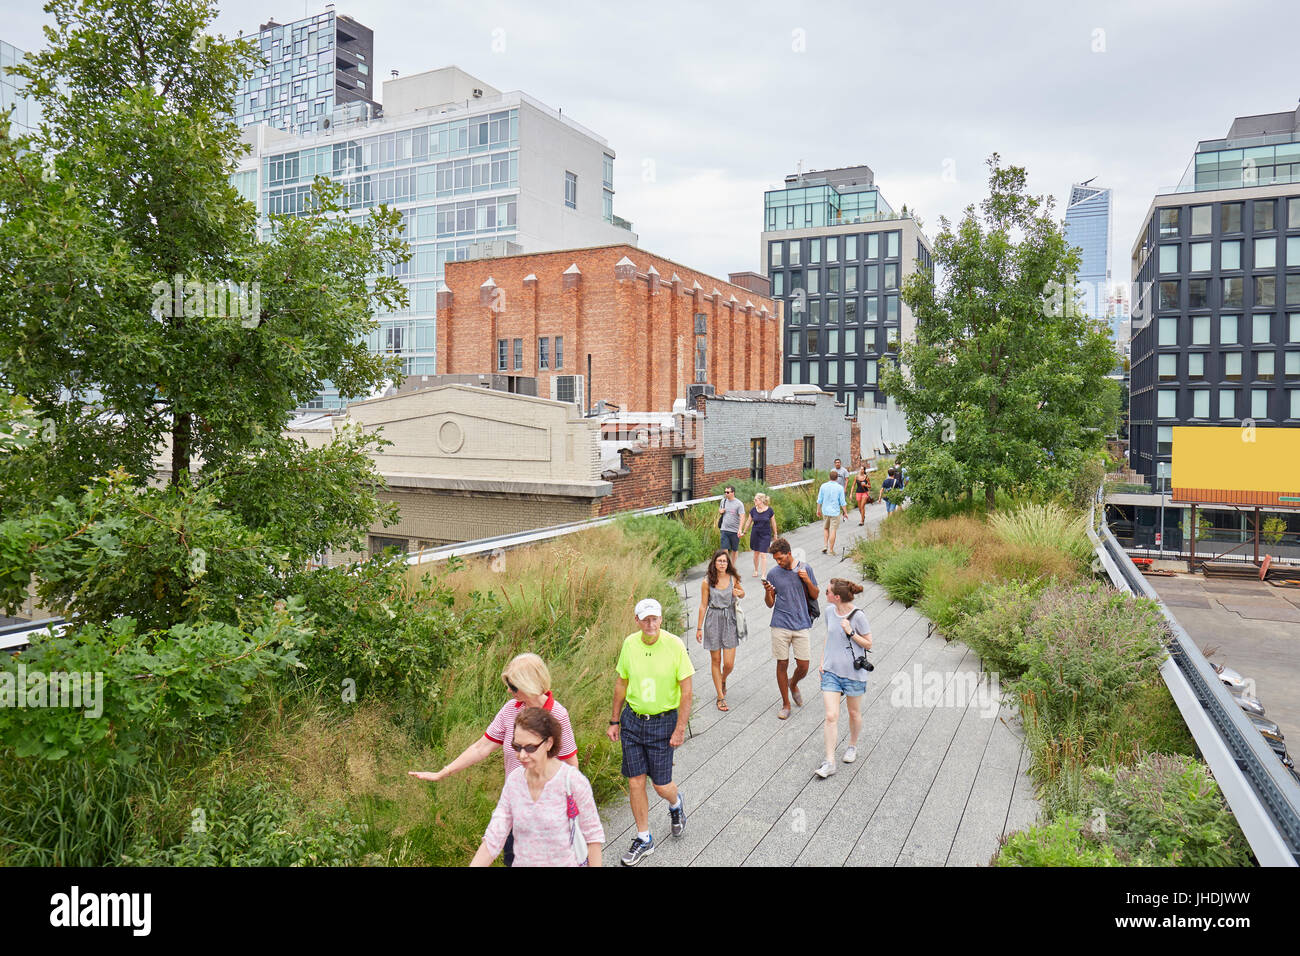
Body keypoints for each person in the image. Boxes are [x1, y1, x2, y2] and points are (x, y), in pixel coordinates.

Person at [408, 653, 578, 867]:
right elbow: (481, 747)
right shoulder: (510, 711)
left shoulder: (557, 715)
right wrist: (443, 772)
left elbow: (571, 765)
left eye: (513, 686)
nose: (508, 691)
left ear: (529, 684)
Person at [607, 598, 694, 866]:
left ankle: (676, 804)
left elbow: (687, 691)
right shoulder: (630, 645)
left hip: (663, 722)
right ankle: (644, 839)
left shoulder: (674, 646)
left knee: (660, 785)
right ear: (637, 620)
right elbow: (622, 683)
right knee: (635, 781)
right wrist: (614, 720)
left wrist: (680, 728)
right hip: (633, 721)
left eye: (654, 618)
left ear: (660, 619)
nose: (650, 623)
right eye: (645, 619)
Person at [470, 707, 604, 866]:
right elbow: (494, 837)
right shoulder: (514, 781)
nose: (522, 755)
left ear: (549, 743)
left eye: (530, 748)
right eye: (517, 747)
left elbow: (593, 837)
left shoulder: (573, 781)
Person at [815, 578, 872, 779]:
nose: (825, 593)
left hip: (853, 674)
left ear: (836, 596)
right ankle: (829, 761)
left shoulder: (859, 616)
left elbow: (868, 644)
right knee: (831, 716)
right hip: (831, 671)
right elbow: (828, 637)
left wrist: (851, 632)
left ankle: (852, 746)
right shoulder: (830, 612)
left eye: (828, 591)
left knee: (854, 712)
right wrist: (822, 661)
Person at [762, 537, 819, 720]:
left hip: (801, 622)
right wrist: (768, 593)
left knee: (804, 665)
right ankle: (786, 704)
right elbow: (770, 604)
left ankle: (793, 683)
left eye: (781, 558)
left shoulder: (805, 568)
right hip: (780, 623)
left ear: (789, 553)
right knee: (782, 663)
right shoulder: (773, 574)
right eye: (776, 559)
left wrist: (807, 580)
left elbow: (815, 594)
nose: (778, 562)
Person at [696, 550, 745, 712]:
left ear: (728, 563)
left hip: (730, 619)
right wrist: (699, 628)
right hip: (713, 620)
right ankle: (720, 696)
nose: (722, 564)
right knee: (715, 660)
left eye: (725, 561)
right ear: (714, 563)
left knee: (729, 664)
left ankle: (723, 679)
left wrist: (740, 593)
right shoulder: (707, 581)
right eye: (719, 561)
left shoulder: (733, 578)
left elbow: (742, 592)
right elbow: (703, 605)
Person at [740, 492, 779, 578]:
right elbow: (748, 522)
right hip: (755, 534)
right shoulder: (753, 510)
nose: (754, 501)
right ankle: (756, 570)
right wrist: (744, 532)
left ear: (761, 500)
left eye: (756, 499)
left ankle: (764, 574)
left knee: (763, 554)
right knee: (756, 553)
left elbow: (773, 523)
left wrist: (775, 534)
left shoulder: (769, 510)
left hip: (765, 534)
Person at [817, 471, 848, 556]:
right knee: (833, 530)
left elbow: (819, 500)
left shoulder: (823, 486)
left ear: (829, 477)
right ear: (837, 478)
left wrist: (818, 510)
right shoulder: (839, 488)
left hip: (825, 511)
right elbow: (842, 502)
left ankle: (825, 546)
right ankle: (831, 550)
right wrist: (845, 512)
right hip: (835, 512)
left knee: (826, 528)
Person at [717, 485, 746, 566]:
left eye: (728, 492)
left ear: (733, 493)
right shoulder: (723, 501)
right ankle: (728, 565)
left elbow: (742, 516)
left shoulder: (739, 504)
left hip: (734, 530)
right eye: (725, 492)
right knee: (724, 549)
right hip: (724, 529)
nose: (726, 494)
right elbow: (720, 510)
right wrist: (720, 511)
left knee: (734, 550)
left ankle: (732, 565)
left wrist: (740, 529)